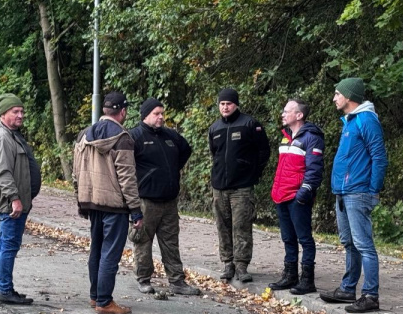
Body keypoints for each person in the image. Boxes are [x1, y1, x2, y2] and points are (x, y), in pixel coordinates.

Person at [320, 78, 388, 313]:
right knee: (349, 243)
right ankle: (348, 288)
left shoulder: (366, 120)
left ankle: (370, 295)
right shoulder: (350, 121)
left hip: (358, 192)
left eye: (337, 94)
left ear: (349, 97)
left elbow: (379, 156)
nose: (334, 98)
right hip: (343, 191)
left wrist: (372, 190)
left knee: (363, 244)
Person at [74, 92, 143, 314]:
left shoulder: (83, 135)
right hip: (114, 205)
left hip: (91, 201)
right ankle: (105, 301)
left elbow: (77, 172)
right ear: (123, 111)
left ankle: (95, 296)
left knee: (96, 250)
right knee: (110, 254)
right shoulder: (122, 138)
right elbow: (127, 177)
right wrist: (135, 209)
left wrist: (80, 199)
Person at [128, 98, 200, 297]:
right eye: (156, 114)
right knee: (142, 241)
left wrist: (170, 171)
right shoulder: (135, 136)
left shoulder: (170, 136)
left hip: (169, 201)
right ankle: (143, 279)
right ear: (145, 115)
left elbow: (185, 151)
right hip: (146, 201)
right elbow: (125, 166)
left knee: (171, 242)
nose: (161, 117)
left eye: (162, 113)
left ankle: (177, 281)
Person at [0, 93, 41, 305]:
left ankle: (1, 288)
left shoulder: (11, 134)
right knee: (8, 246)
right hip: (10, 202)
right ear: (3, 114)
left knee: (4, 245)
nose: (20, 115)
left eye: (22, 111)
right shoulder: (3, 137)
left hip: (12, 200)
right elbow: (4, 172)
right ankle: (5, 290)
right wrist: (14, 198)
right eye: (15, 111)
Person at [208, 87, 270, 282]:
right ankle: (228, 264)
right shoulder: (215, 128)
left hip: (242, 187)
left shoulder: (250, 124)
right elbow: (214, 153)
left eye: (229, 104)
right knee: (223, 225)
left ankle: (242, 266)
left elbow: (264, 151)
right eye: (222, 104)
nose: (225, 107)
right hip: (219, 187)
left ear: (236, 104)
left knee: (241, 226)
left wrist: (252, 173)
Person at [268, 99, 325, 295]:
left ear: (299, 115)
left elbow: (314, 169)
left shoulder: (312, 137)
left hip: (297, 197)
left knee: (304, 238)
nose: (283, 114)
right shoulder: (285, 137)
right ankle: (290, 275)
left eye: (286, 111)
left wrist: (304, 192)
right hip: (281, 195)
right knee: (287, 238)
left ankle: (307, 280)